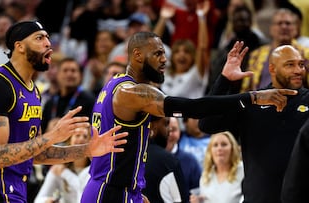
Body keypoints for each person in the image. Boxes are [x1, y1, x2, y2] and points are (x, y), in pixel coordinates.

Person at [80, 31, 296, 203]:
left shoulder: (115, 85)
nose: (165, 60)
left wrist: (134, 191)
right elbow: (193, 107)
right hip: (109, 192)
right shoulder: (131, 93)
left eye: (164, 53)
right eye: (157, 54)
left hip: (120, 189)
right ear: (137, 55)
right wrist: (254, 97)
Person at [0, 21, 128, 203]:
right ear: (20, 46)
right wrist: (54, 135)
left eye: (48, 38)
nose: (48, 43)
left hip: (16, 184)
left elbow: (37, 154)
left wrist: (87, 149)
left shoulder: (33, 91)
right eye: (39, 38)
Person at [199, 41, 309, 203]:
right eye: (290, 65)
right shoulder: (252, 100)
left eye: (301, 64)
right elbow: (207, 124)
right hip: (259, 197)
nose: (298, 70)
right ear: (272, 69)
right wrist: (225, 80)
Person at [34, 126, 91, 203]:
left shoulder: (93, 169)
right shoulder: (57, 169)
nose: (81, 139)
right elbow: (38, 200)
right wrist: (49, 201)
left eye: (85, 136)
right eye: (77, 135)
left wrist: (65, 174)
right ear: (70, 140)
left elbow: (80, 194)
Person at [142, 116, 188, 203]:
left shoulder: (125, 155)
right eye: (166, 124)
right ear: (152, 127)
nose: (169, 131)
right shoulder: (168, 161)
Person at [190, 131, 244, 203]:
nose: (219, 149)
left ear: (232, 149)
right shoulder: (206, 175)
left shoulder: (242, 171)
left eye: (224, 144)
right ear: (210, 151)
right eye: (215, 145)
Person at [166, 117, 202, 196]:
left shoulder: (190, 160)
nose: (169, 134)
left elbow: (197, 193)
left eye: (173, 130)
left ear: (180, 132)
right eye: (166, 129)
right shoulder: (147, 157)